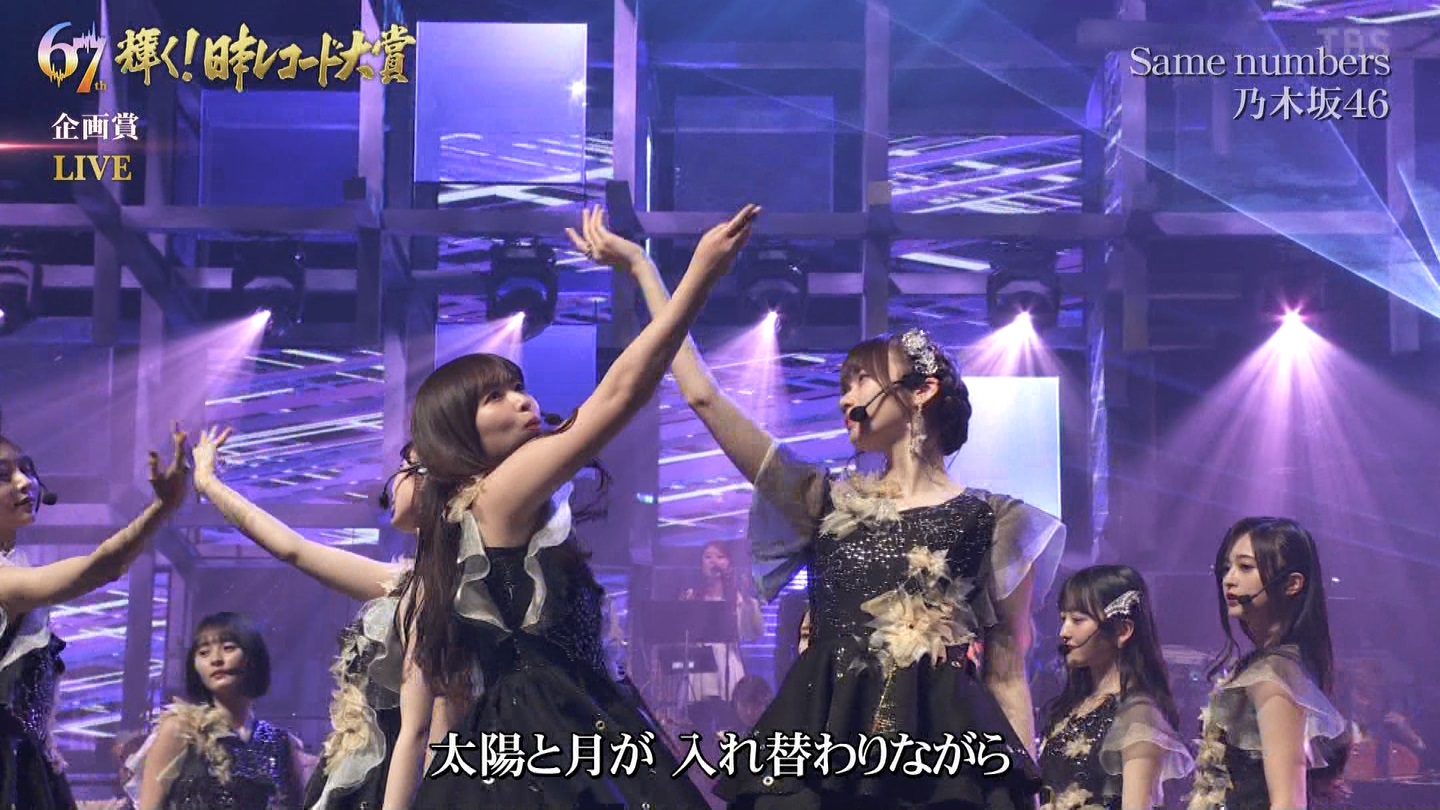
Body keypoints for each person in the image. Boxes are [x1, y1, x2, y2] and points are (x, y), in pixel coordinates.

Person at [586, 225, 1066, 809]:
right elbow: (704, 396)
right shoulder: (823, 499)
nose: (845, 398)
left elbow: (1007, 671)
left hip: (944, 760)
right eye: (842, 384)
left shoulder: (995, 520)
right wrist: (645, 269)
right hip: (825, 745)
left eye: (861, 380)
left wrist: (1029, 792)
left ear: (922, 390)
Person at [399, 203, 758, 809]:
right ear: (456, 429)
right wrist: (695, 273)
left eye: (518, 387)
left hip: (550, 723)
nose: (523, 401)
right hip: (546, 729)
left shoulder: (482, 506)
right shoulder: (497, 492)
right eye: (494, 397)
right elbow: (620, 393)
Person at [191, 428, 442, 810]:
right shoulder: (405, 582)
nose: (391, 484)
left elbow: (421, 727)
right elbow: (292, 548)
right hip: (378, 772)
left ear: (428, 478)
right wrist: (208, 483)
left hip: (404, 779)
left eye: (404, 468)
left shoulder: (437, 588)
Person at [0, 427, 190, 810]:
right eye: (3, 475)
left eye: (27, 469)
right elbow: (99, 568)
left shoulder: (15, 566)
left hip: (25, 766)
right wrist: (162, 508)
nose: (25, 482)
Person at [1185, 517, 1348, 810]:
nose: (1229, 579)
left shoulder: (1274, 674)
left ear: (1292, 584)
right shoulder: (1263, 666)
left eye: (1246, 567)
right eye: (1227, 568)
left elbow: (1288, 802)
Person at [1038, 565, 1192, 810]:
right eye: (1063, 619)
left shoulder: (1138, 717)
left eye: (1078, 620)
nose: (1064, 632)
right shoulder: (1074, 706)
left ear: (1122, 630)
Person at [130, 612, 307, 810]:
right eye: (204, 652)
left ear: (252, 656)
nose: (215, 659)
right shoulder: (182, 730)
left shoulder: (281, 744)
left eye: (228, 648)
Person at [679, 541, 765, 732]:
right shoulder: (692, 596)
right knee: (699, 722)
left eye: (720, 557)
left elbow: (752, 633)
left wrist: (748, 601)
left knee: (729, 722)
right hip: (700, 665)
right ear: (701, 564)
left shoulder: (738, 599)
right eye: (708, 557)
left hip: (727, 663)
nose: (714, 562)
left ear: (729, 565)